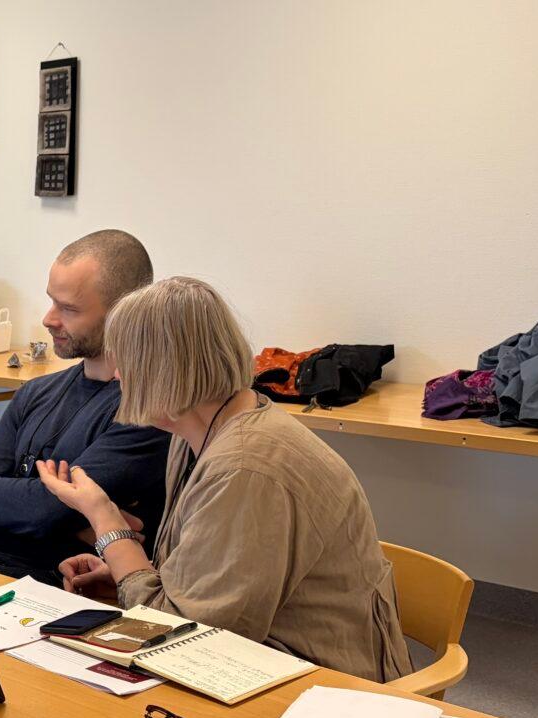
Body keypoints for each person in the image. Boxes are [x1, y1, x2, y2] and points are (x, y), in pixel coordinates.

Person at [37, 276, 414, 683]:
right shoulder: (201, 432)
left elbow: (182, 640)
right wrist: (125, 577)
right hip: (260, 657)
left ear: (161, 369)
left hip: (320, 684)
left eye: (124, 361)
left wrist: (105, 520)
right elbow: (206, 586)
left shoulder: (244, 467)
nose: (115, 376)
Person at [0, 230, 170, 583]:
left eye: (69, 309)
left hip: (61, 590)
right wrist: (64, 522)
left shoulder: (148, 412)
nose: (49, 319)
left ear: (124, 313)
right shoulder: (35, 391)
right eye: (52, 301)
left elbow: (41, 512)